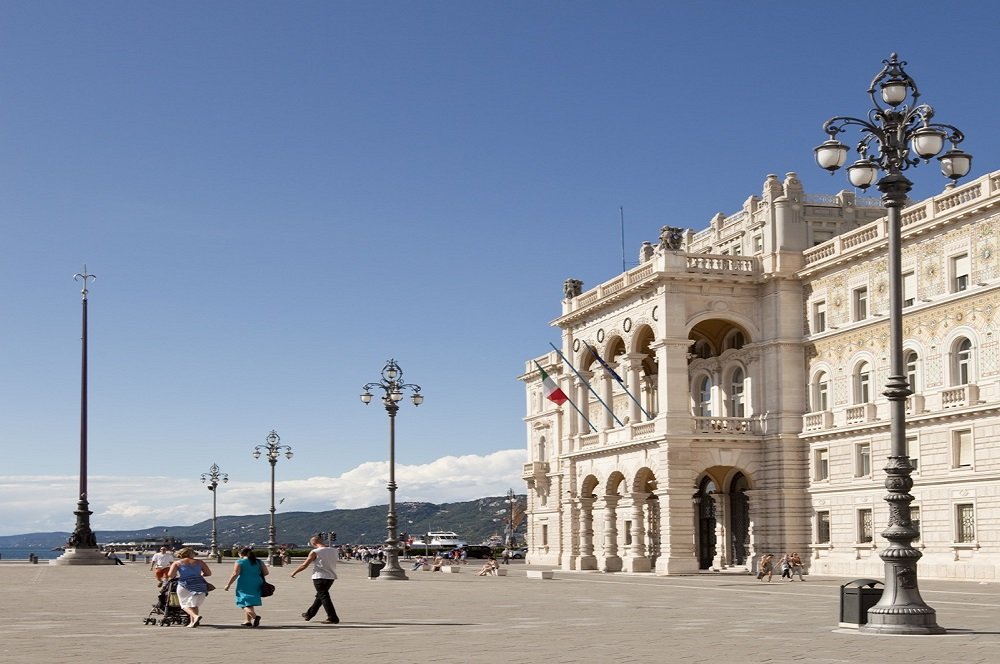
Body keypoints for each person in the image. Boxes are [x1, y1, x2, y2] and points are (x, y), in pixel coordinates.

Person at [290, 535, 340, 624]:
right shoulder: (334, 550)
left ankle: (332, 617)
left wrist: (294, 572)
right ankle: (309, 614)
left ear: (313, 543)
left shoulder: (315, 551)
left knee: (324, 597)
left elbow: (305, 565)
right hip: (331, 576)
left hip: (319, 577)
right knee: (321, 596)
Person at [165, 548, 212, 627]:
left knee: (184, 605)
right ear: (191, 554)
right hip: (200, 584)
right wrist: (200, 575)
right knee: (194, 604)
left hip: (185, 585)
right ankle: (192, 622)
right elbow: (208, 573)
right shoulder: (200, 562)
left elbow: (171, 575)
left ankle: (195, 616)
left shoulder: (177, 563)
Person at [223, 547, 268, 627]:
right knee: (249, 602)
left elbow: (235, 574)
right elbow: (266, 572)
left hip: (244, 583)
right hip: (257, 582)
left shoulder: (240, 561)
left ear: (241, 554)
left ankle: (255, 617)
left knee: (242, 602)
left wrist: (228, 585)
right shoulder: (258, 561)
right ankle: (247, 621)